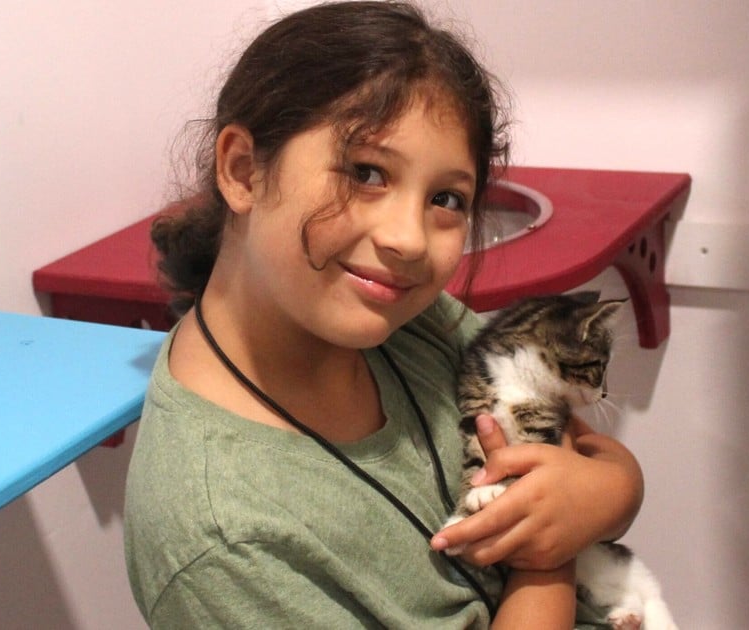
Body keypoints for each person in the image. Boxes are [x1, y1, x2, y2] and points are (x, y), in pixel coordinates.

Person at [123, 2, 644, 628]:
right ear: (243, 171)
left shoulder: (405, 321)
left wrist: (613, 491)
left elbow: (576, 449)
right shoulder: (221, 539)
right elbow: (556, 467)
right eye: (367, 173)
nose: (409, 239)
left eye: (446, 198)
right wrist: (545, 553)